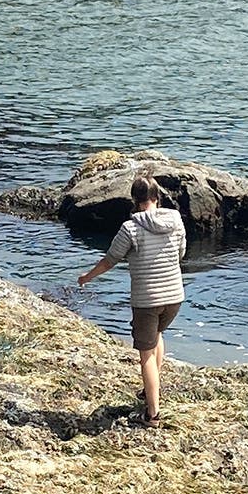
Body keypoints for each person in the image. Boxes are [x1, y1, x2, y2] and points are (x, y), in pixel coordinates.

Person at [76, 175, 187, 427]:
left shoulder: (131, 228)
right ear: (157, 198)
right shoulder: (176, 220)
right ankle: (151, 389)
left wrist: (87, 277)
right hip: (175, 296)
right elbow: (181, 253)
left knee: (145, 353)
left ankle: (152, 414)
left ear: (135, 201)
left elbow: (110, 259)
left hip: (147, 298)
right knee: (157, 334)